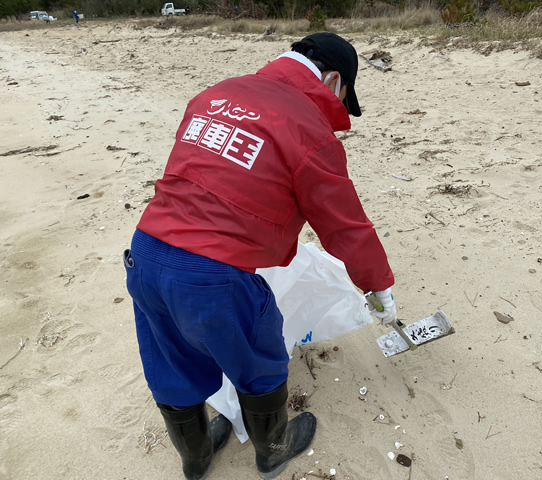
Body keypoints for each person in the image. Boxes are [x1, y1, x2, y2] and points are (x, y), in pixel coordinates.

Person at [123, 32, 396, 480]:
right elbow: (342, 225)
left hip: (147, 251)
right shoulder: (308, 129)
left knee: (170, 359)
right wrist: (378, 284)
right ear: (331, 80)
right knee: (258, 360)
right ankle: (272, 452)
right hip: (214, 273)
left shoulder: (214, 95)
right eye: (343, 96)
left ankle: (194, 459)